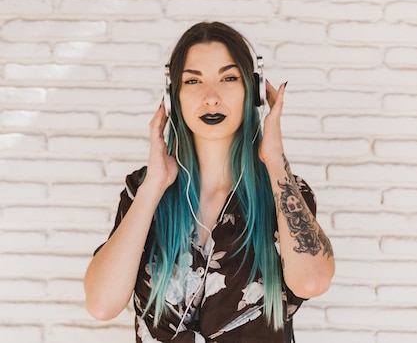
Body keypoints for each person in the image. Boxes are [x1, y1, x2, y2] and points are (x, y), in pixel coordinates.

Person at [84, 21, 335, 343]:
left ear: (253, 91)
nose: (211, 98)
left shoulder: (285, 192)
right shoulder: (143, 190)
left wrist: (274, 161)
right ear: (172, 96)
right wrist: (154, 187)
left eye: (229, 78)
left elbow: (312, 282)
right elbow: (101, 305)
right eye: (193, 81)